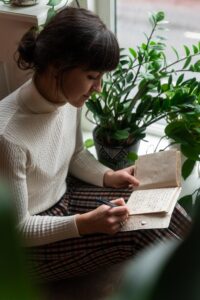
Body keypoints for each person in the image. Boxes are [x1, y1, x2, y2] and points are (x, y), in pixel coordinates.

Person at [0, 7, 190, 282]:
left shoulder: (67, 97)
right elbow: (16, 229)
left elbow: (75, 154)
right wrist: (84, 224)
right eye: (92, 77)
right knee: (140, 234)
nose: (98, 88)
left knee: (163, 212)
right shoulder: (7, 136)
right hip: (24, 250)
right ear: (56, 67)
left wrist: (108, 176)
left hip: (64, 198)